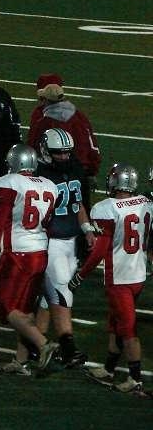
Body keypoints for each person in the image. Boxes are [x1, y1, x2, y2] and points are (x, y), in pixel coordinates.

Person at [0, 144, 61, 376]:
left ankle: (43, 344)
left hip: (18, 253)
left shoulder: (8, 184)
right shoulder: (49, 186)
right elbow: (48, 223)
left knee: (6, 307)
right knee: (25, 308)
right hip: (40, 252)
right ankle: (21, 361)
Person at [73, 164, 150, 394]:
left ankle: (135, 379)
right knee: (116, 323)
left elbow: (98, 251)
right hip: (138, 274)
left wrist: (81, 274)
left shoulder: (106, 208)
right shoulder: (146, 204)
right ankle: (108, 367)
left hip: (120, 277)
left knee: (127, 329)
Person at [34, 128, 92, 367]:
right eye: (59, 153)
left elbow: (77, 203)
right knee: (61, 294)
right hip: (52, 242)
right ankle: (69, 348)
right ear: (46, 151)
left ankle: (33, 346)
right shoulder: (39, 174)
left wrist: (87, 229)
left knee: (50, 299)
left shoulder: (73, 168)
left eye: (67, 153)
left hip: (71, 242)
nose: (64, 157)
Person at [26, 82, 101, 198]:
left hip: (52, 176)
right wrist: (92, 171)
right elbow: (92, 145)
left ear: (46, 100)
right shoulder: (79, 117)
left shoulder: (43, 123)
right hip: (80, 172)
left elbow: (32, 148)